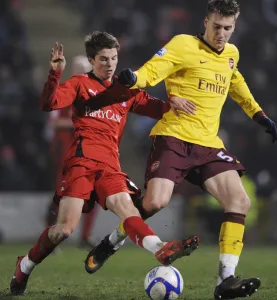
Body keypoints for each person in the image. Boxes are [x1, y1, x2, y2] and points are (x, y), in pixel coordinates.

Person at [85, 1, 277, 299]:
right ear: (205, 22)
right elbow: (153, 70)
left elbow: (234, 81)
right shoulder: (183, 45)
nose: (221, 33)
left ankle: (225, 281)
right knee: (155, 203)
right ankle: (112, 240)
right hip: (174, 138)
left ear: (234, 27)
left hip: (208, 144)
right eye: (216, 26)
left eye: (228, 28)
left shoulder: (231, 54)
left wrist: (258, 114)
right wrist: (134, 78)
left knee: (239, 200)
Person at [9, 31, 200, 296]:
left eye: (113, 58)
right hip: (81, 162)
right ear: (91, 60)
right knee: (64, 230)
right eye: (103, 59)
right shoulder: (79, 84)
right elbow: (49, 103)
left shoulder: (126, 91)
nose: (110, 64)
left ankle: (160, 247)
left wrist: (174, 102)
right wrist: (55, 74)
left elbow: (158, 108)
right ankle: (26, 265)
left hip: (110, 166)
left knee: (126, 207)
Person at [45, 55, 98, 249]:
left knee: (92, 193)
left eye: (83, 69)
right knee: (63, 192)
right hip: (67, 151)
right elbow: (53, 121)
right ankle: (52, 236)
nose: (80, 72)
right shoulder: (64, 91)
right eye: (77, 68)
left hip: (89, 150)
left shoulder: (95, 93)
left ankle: (85, 236)